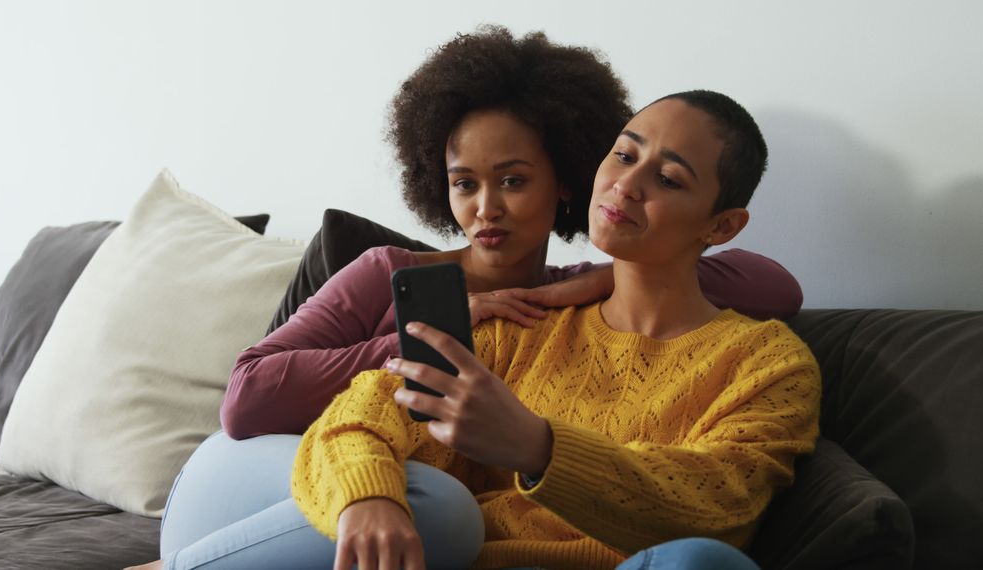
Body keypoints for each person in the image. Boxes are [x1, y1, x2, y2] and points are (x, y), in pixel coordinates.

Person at [135, 26, 803, 570]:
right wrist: (427, 337)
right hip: (261, 468)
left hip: (414, 508)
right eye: (463, 183)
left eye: (513, 180)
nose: (485, 208)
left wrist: (603, 277)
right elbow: (250, 396)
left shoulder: (548, 302)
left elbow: (772, 287)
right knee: (439, 505)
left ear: (564, 179)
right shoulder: (394, 273)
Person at [289, 90, 821, 569]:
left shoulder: (770, 364)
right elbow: (362, 411)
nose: (626, 185)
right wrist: (369, 496)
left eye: (667, 178)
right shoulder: (520, 324)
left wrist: (539, 447)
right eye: (624, 155)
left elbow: (721, 502)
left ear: (722, 225)